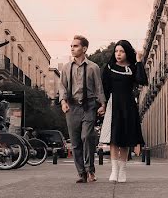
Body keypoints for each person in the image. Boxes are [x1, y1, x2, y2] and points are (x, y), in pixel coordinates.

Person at [58, 35, 106, 184]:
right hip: (72, 107)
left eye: (76, 46)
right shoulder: (66, 67)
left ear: (84, 49)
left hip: (89, 106)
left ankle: (90, 169)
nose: (72, 48)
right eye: (71, 46)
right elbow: (62, 86)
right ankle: (81, 174)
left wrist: (103, 104)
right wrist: (63, 102)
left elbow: (99, 87)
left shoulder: (93, 67)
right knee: (75, 142)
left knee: (87, 137)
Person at [99, 40, 147, 183]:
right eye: (116, 51)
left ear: (127, 53)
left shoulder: (132, 67)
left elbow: (142, 80)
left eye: (121, 51)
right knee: (114, 139)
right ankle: (114, 171)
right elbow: (104, 87)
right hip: (114, 104)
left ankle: (123, 170)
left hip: (128, 105)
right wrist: (102, 104)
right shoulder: (109, 67)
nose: (118, 54)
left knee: (125, 140)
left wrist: (139, 61)